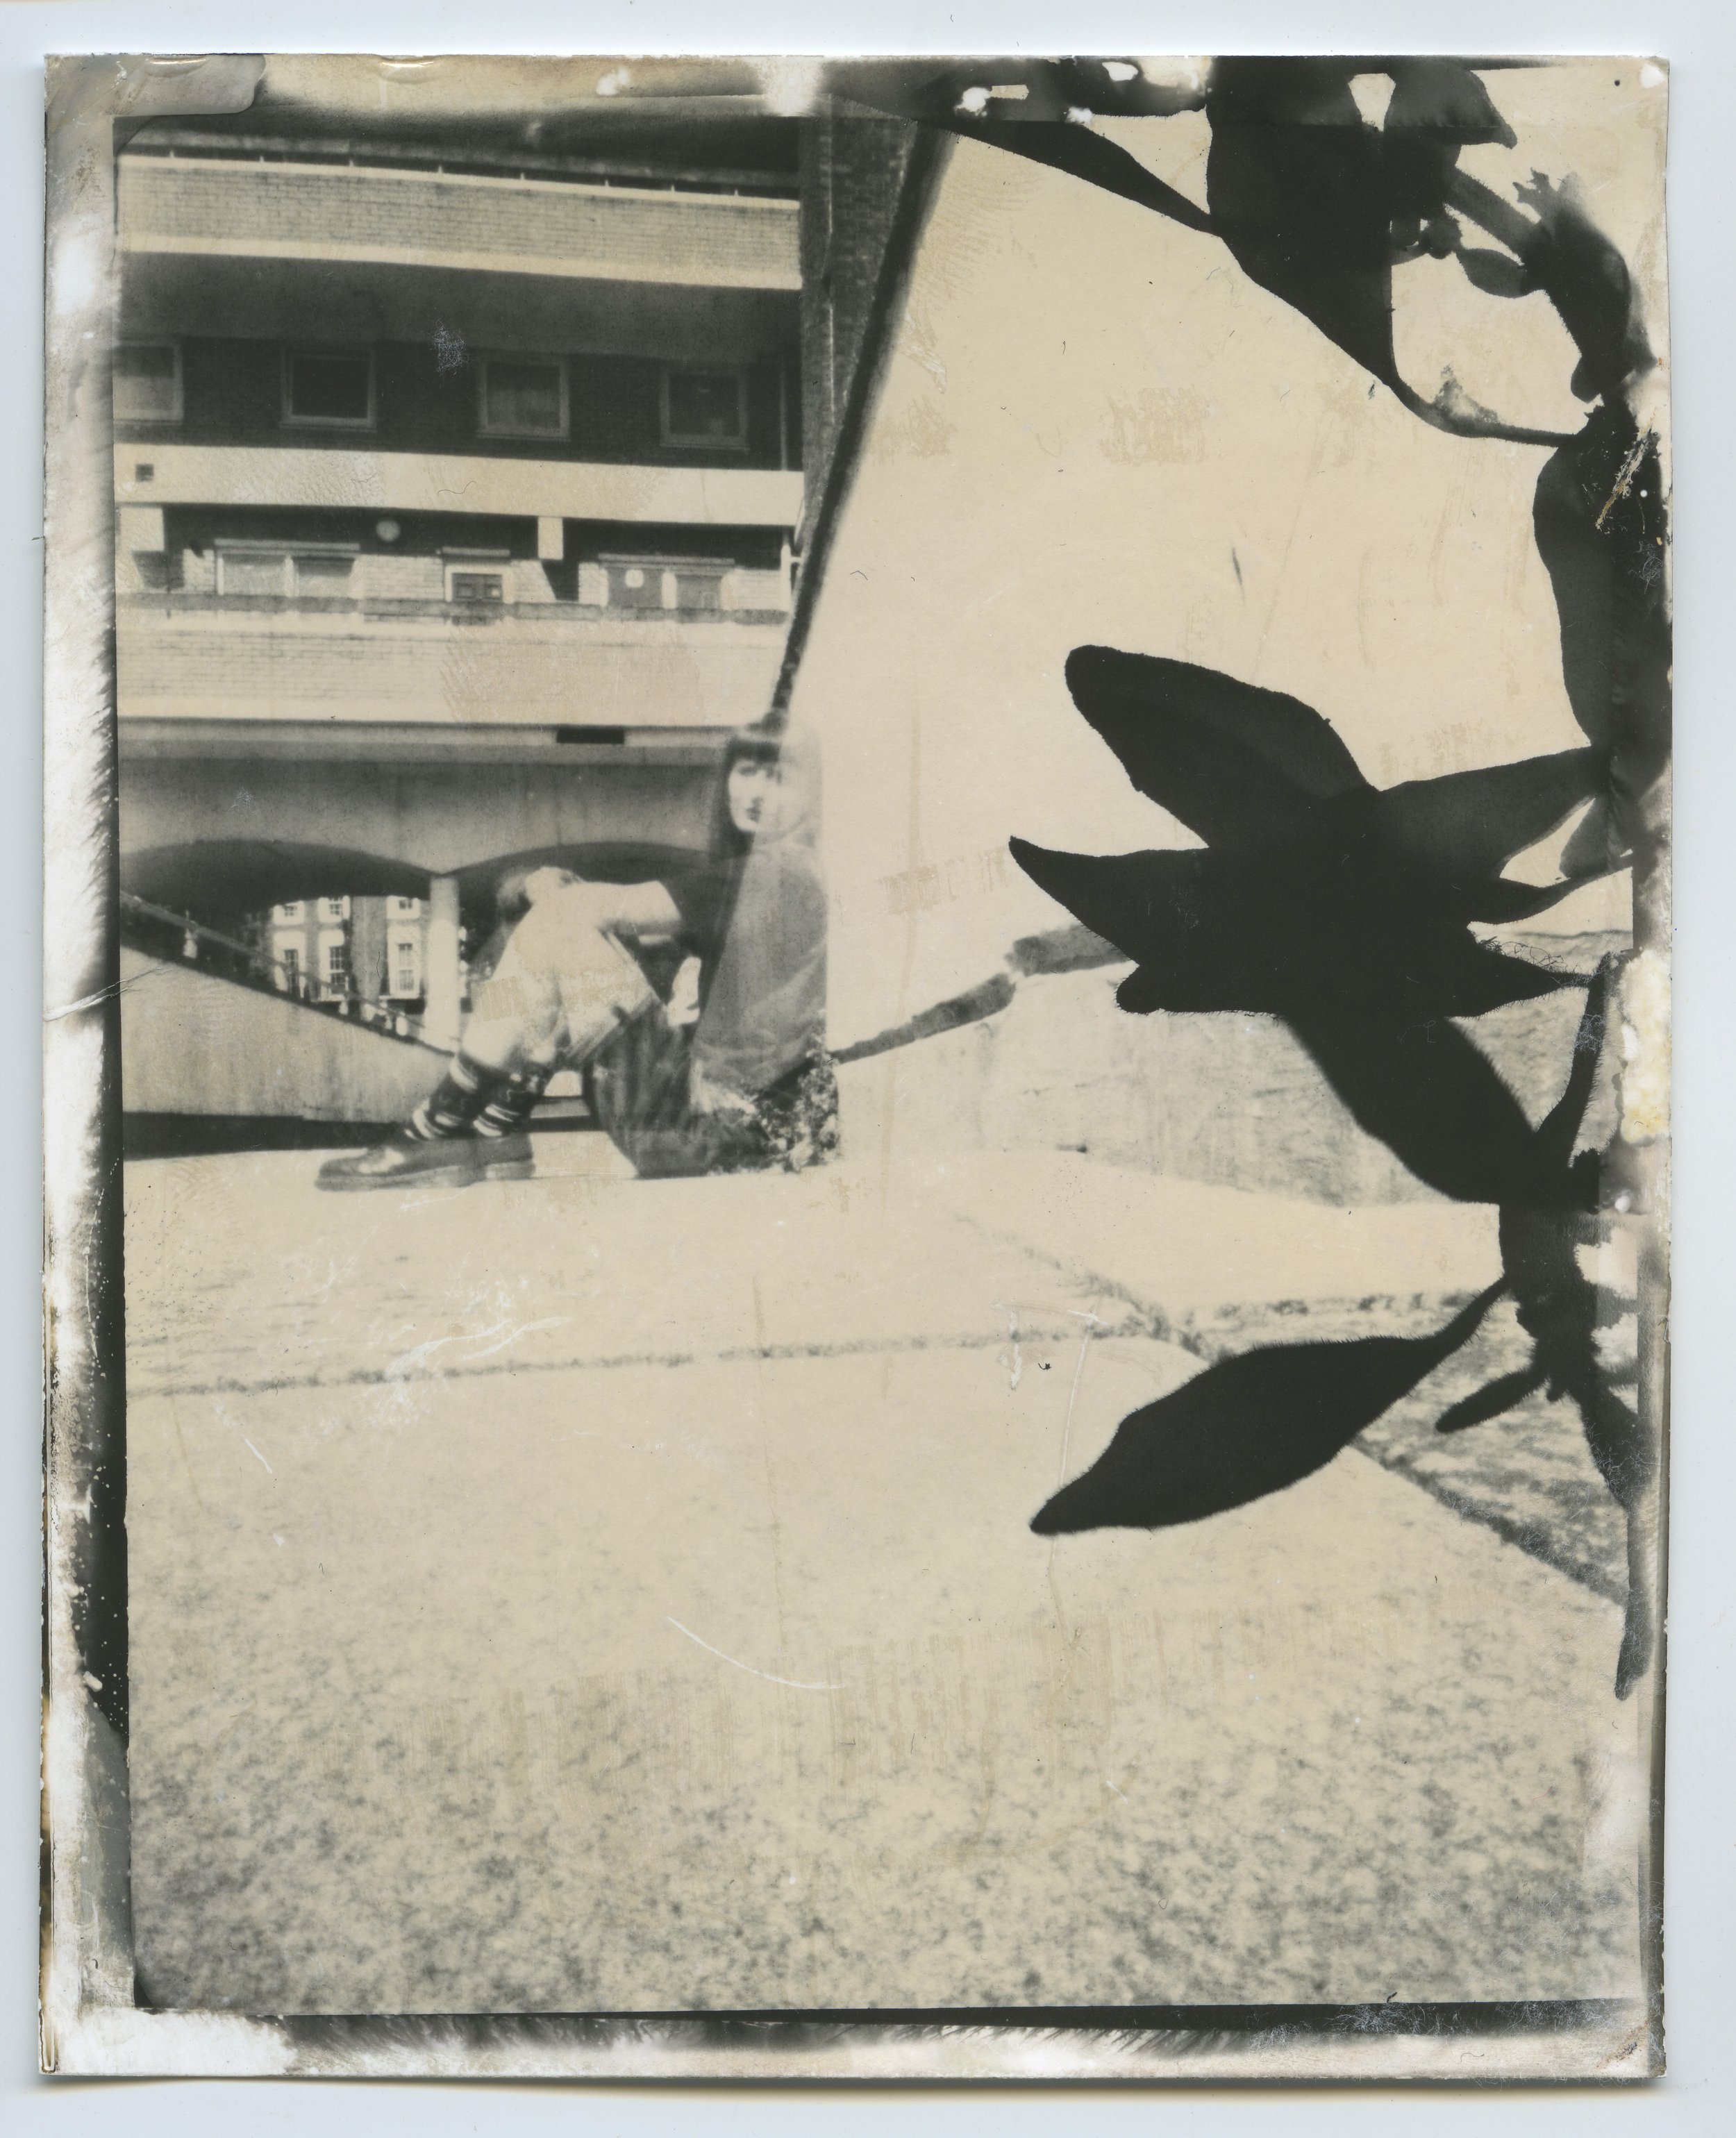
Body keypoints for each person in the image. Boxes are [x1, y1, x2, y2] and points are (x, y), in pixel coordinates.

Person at [315, 729, 836, 1190]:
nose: (758, 792)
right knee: (564, 941)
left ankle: (434, 1129)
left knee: (560, 922)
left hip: (708, 1135)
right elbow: (621, 947)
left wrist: (532, 886)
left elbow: (586, 913)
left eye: (779, 776)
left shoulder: (771, 875)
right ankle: (496, 1130)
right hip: (751, 1130)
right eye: (747, 771)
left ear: (813, 793)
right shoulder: (784, 874)